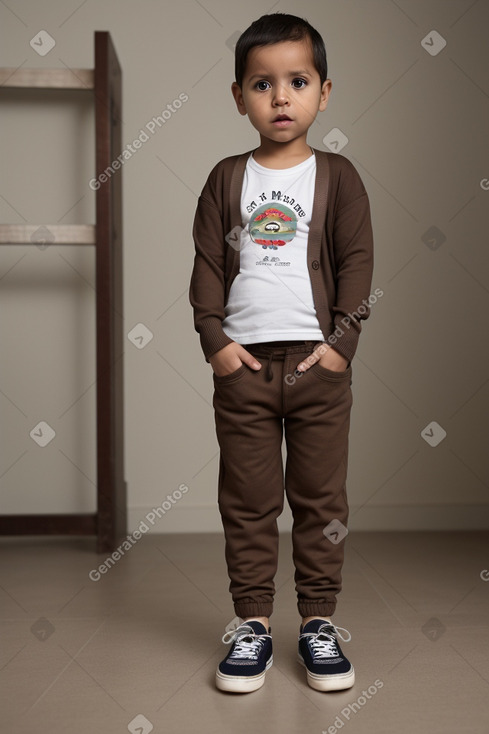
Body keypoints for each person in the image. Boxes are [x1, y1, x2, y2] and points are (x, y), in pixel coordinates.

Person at [189, 12, 374, 694]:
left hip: (316, 368)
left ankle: (319, 623)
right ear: (239, 96)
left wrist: (339, 347)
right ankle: (252, 625)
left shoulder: (339, 176)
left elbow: (356, 263)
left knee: (321, 501)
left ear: (323, 91)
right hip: (244, 368)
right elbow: (208, 262)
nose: (280, 98)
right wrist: (216, 343)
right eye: (262, 84)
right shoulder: (224, 177)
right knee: (247, 499)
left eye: (296, 82)